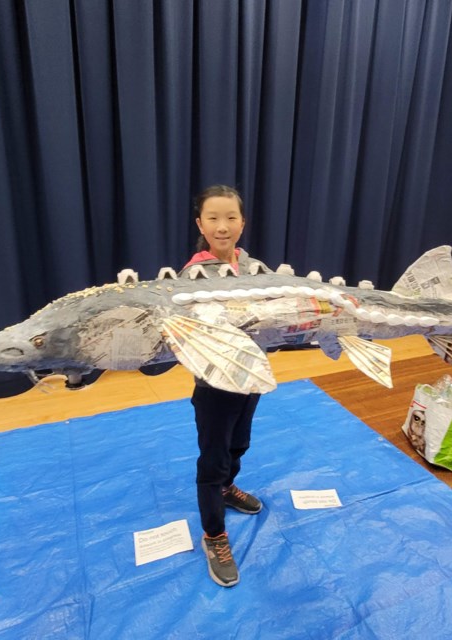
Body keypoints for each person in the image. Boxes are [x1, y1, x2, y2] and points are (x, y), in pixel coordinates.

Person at [178, 184, 270, 588]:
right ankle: (214, 534)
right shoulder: (190, 275)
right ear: (200, 223)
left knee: (239, 444)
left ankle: (229, 487)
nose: (223, 226)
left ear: (243, 222)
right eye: (213, 218)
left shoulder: (257, 269)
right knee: (212, 458)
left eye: (231, 217)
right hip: (214, 385)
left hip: (250, 378)